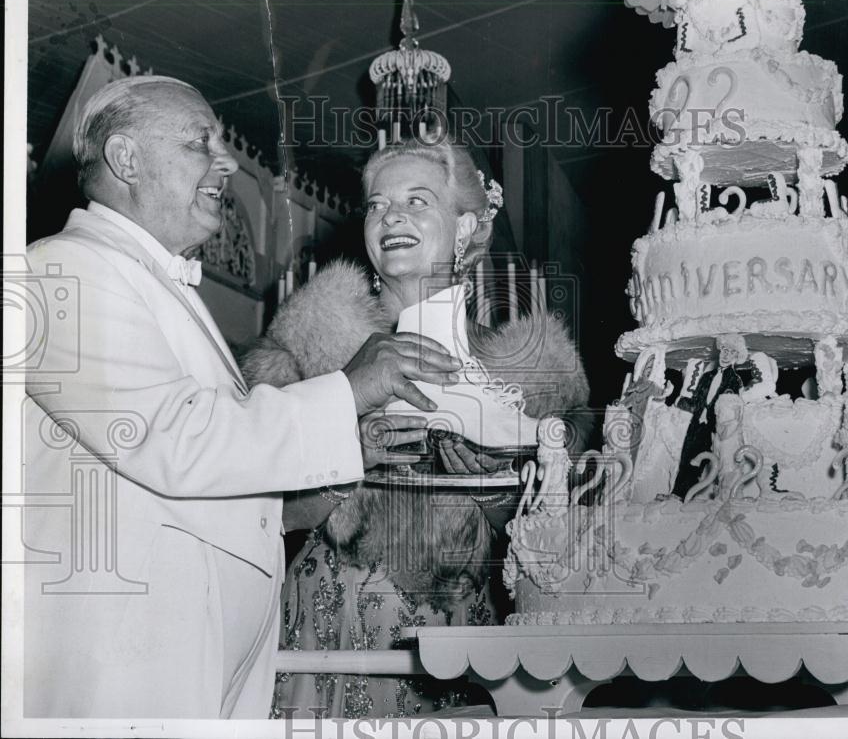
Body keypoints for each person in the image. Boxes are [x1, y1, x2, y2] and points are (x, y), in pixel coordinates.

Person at [21, 76, 463, 719]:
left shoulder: (154, 285)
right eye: (201, 142)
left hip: (181, 669)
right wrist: (344, 392)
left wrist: (320, 485)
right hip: (118, 670)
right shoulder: (60, 270)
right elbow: (169, 438)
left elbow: (207, 485)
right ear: (125, 159)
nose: (226, 162)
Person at [241, 138, 590, 718]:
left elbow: (555, 550)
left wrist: (508, 497)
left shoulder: (533, 383)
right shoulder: (303, 350)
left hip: (471, 640)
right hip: (339, 622)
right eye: (377, 205)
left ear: (466, 226)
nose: (392, 215)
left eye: (418, 200)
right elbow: (259, 515)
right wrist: (347, 457)